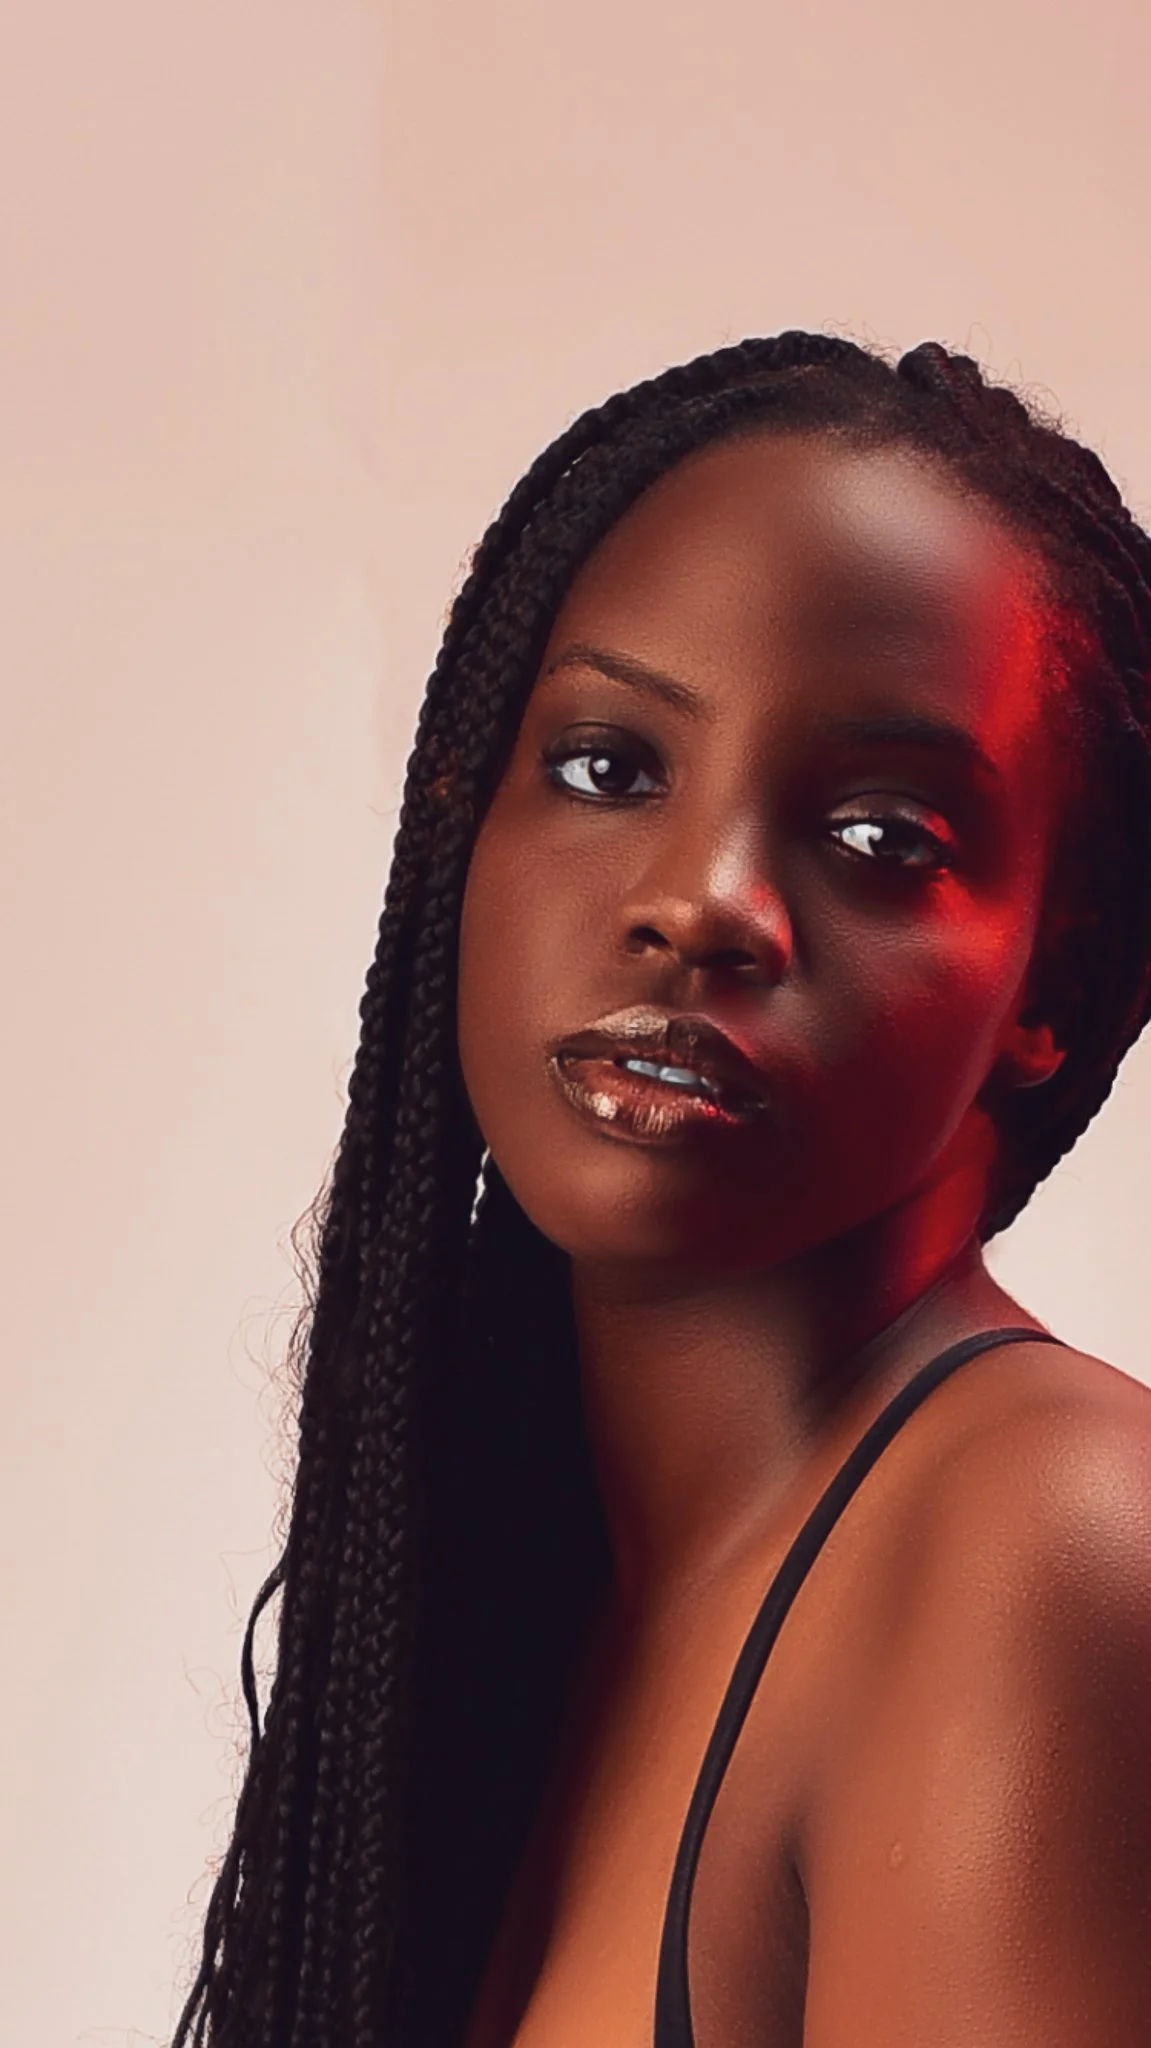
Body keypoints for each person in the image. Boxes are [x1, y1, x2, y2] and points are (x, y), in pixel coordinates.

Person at [171, 332, 1151, 2048]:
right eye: (611, 767)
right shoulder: (534, 1595)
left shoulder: (1042, 1544)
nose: (701, 903)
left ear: (1049, 985)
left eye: (878, 841)